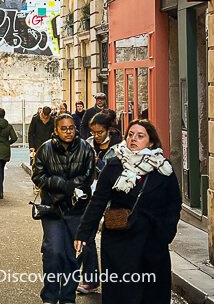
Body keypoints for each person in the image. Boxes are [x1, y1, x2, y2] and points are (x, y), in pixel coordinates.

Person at [75, 120, 181, 303]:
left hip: (152, 242)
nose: (133, 139)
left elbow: (174, 203)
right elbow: (98, 202)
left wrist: (166, 232)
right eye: (130, 135)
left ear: (151, 142)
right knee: (121, 294)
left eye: (140, 136)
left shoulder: (163, 168)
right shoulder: (114, 166)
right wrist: (83, 233)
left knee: (151, 294)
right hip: (119, 242)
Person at [32, 114, 96, 304]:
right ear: (56, 130)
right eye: (64, 128)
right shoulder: (46, 149)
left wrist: (73, 187)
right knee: (53, 252)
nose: (68, 132)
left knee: (71, 255)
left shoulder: (85, 148)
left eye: (71, 128)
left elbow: (88, 176)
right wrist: (63, 185)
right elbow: (38, 176)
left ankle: (67, 297)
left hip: (77, 210)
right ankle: (50, 296)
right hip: (52, 208)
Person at [75, 111, 125, 295]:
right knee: (86, 237)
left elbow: (121, 174)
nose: (96, 136)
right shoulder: (86, 144)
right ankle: (91, 279)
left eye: (99, 132)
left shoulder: (121, 147)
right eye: (93, 132)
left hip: (114, 200)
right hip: (91, 198)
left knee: (113, 240)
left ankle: (118, 281)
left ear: (108, 130)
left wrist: (101, 165)